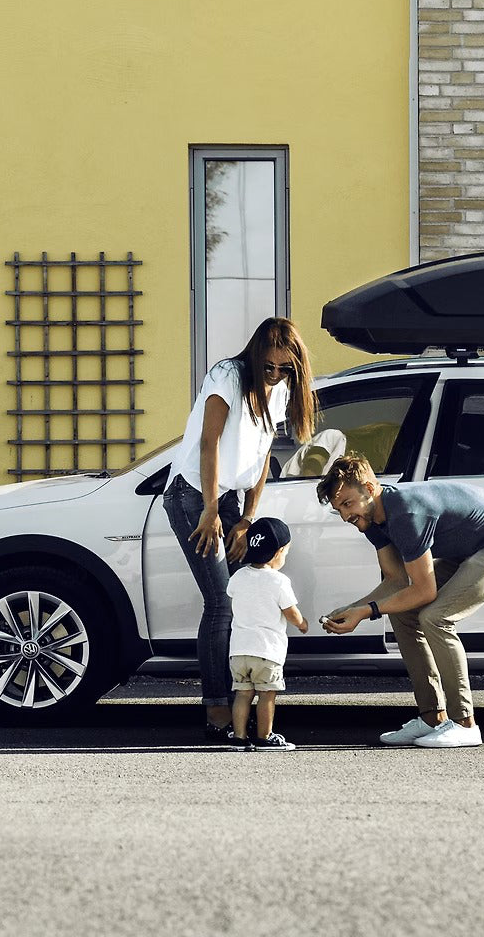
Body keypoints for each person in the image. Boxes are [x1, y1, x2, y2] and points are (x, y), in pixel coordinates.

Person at [163, 318, 316, 742]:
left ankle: (241, 707)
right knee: (221, 601)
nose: (276, 374)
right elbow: (210, 442)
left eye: (286, 369)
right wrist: (211, 510)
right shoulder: (227, 375)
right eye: (270, 366)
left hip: (227, 498)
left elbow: (264, 454)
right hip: (192, 495)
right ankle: (217, 712)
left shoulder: (281, 391)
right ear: (256, 354)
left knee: (245, 593)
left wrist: (248, 516)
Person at [319, 454, 484, 749]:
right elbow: (396, 582)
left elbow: (424, 592)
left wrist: (366, 611)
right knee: (402, 613)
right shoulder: (371, 521)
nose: (345, 516)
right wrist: (353, 608)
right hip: (469, 547)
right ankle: (433, 717)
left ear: (369, 488)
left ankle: (465, 724)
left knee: (436, 617)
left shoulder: (406, 514)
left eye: (347, 504)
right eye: (339, 509)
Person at [226, 516, 308, 751]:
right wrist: (303, 624)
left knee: (242, 694)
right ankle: (264, 736)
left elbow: (232, 595)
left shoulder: (238, 576)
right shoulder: (279, 581)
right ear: (278, 552)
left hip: (239, 651)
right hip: (267, 652)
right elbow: (291, 613)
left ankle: (239, 737)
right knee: (266, 695)